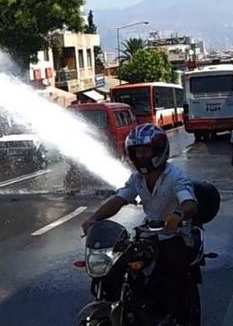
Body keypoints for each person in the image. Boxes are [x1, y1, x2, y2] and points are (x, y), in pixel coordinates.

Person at [82, 124, 199, 324]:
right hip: (148, 233)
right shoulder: (137, 178)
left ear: (159, 151)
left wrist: (178, 214)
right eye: (137, 152)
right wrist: (94, 218)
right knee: (119, 265)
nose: (141, 156)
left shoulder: (176, 177)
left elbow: (190, 203)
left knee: (173, 274)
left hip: (176, 234)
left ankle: (179, 316)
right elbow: (119, 199)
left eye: (146, 151)